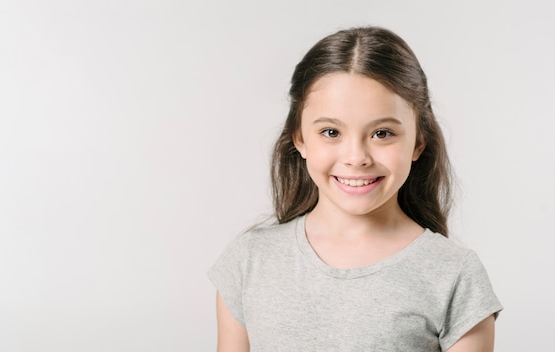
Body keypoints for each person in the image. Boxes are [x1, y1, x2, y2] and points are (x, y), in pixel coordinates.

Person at [208, 26, 502, 352]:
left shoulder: (455, 275)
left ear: (418, 142)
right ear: (300, 138)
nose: (356, 158)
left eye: (382, 133)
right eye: (331, 132)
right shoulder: (249, 262)